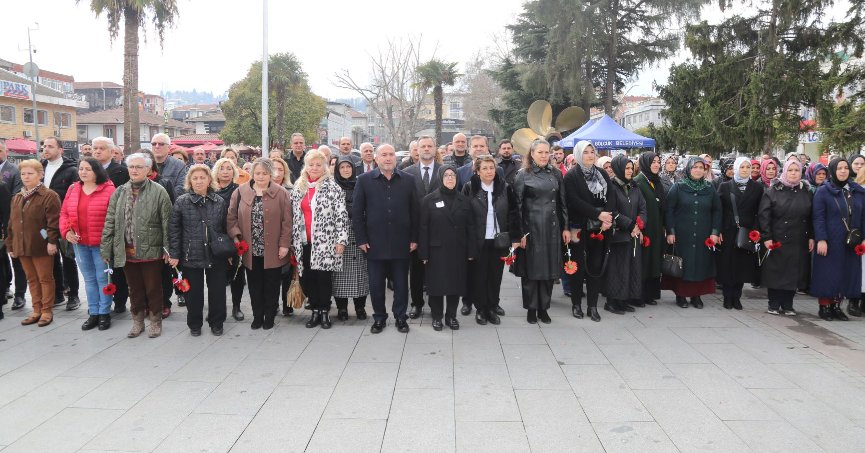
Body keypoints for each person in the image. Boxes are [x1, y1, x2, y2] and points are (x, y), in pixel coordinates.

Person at [101, 153, 173, 338]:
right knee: (134, 289)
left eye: (139, 167)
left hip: (151, 250)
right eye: (131, 166)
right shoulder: (119, 192)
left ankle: (155, 321)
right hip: (126, 251)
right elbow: (110, 220)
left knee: (153, 288)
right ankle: (137, 321)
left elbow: (167, 221)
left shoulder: (159, 191)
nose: (134, 170)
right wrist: (106, 247)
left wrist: (168, 248)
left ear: (148, 169)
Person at [352, 144, 419, 334]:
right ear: (376, 158)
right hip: (374, 243)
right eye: (384, 155)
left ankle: (400, 317)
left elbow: (415, 212)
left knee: (400, 284)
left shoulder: (408, 180)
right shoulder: (364, 180)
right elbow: (357, 213)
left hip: (402, 242)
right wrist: (361, 239)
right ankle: (379, 317)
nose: (388, 158)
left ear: (395, 158)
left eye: (391, 155)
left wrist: (414, 238)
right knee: (376, 285)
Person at [227, 158, 292, 330]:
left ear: (271, 174)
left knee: (271, 285)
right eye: (257, 173)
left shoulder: (281, 192)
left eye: (264, 173)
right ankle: (257, 316)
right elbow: (231, 217)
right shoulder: (240, 191)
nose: (261, 177)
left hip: (274, 249)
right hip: (250, 248)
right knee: (254, 285)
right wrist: (236, 237)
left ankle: (269, 316)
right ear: (252, 174)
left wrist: (284, 244)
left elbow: (287, 221)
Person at [511, 139, 569, 324]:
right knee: (531, 271)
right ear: (532, 154)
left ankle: (544, 308)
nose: (544, 156)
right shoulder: (523, 175)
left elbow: (562, 204)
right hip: (532, 230)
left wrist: (565, 227)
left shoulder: (557, 174)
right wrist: (519, 234)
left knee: (549, 270)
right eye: (540, 152)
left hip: (552, 228)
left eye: (547, 152)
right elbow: (517, 207)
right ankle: (531, 308)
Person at [168, 164, 229, 336]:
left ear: (210, 179)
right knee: (193, 293)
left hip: (215, 254)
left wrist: (229, 251)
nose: (199, 181)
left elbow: (225, 227)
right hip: (190, 253)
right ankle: (194, 324)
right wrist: (174, 254)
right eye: (195, 178)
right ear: (189, 181)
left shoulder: (219, 201)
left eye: (203, 177)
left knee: (217, 291)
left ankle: (217, 322)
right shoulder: (182, 201)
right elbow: (174, 229)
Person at [290, 150, 348, 329]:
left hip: (326, 242)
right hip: (304, 241)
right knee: (307, 277)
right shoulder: (299, 187)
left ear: (324, 167)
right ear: (305, 167)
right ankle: (314, 310)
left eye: (318, 165)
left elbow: (341, 215)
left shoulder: (333, 187)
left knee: (323, 278)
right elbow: (293, 215)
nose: (314, 168)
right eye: (311, 165)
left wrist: (341, 240)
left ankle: (324, 311)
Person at [463, 155, 520, 325]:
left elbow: (514, 213)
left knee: (495, 276)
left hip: (498, 240)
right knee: (479, 276)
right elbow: (464, 215)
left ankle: (492, 307)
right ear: (477, 171)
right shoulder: (470, 188)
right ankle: (481, 309)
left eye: (492, 168)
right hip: (478, 240)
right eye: (485, 168)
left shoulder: (505, 187)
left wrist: (515, 237)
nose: (489, 171)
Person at [60, 157, 116, 330]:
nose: (83, 172)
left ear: (97, 171)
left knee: (103, 278)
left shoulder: (109, 189)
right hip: (80, 244)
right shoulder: (73, 189)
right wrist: (66, 232)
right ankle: (93, 313)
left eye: (88, 169)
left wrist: (109, 241)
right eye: (81, 169)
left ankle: (104, 312)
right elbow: (64, 214)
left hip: (101, 244)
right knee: (89, 279)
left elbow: (114, 218)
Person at [419, 165, 476, 330]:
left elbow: (470, 227)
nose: (450, 178)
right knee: (436, 286)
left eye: (453, 175)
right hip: (436, 250)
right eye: (447, 175)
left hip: (458, 250)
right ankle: (437, 316)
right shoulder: (429, 200)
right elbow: (423, 228)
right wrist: (423, 253)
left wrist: (471, 251)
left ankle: (451, 316)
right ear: (441, 178)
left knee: (455, 285)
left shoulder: (464, 200)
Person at [811, 158, 865, 321]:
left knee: (845, 273)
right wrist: (821, 239)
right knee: (828, 273)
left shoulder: (857, 191)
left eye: (846, 168)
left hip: (851, 241)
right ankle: (825, 306)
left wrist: (863, 238)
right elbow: (818, 217)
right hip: (830, 240)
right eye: (839, 168)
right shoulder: (823, 191)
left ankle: (836, 305)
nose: (843, 171)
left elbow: (863, 217)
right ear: (833, 171)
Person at [664, 157, 721, 309]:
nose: (698, 170)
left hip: (703, 234)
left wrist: (715, 232)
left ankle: (696, 296)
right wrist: (670, 231)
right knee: (684, 264)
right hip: (682, 234)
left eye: (701, 168)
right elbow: (669, 210)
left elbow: (717, 210)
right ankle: (681, 295)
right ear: (689, 169)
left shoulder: (709, 188)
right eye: (695, 167)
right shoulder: (678, 187)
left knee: (700, 264)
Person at [8, 160, 60, 327]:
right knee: (31, 279)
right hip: (21, 245)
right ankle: (36, 309)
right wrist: (10, 245)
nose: (26, 177)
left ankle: (46, 310)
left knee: (45, 278)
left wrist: (51, 241)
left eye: (30, 173)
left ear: (40, 174)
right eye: (23, 174)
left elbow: (53, 222)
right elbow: (11, 223)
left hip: (41, 244)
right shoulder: (17, 197)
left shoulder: (48, 195)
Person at [758, 159, 813, 315]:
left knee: (793, 272)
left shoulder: (806, 191)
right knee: (776, 272)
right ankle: (773, 303)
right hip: (777, 238)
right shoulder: (773, 190)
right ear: (785, 171)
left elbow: (811, 216)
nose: (794, 173)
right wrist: (767, 236)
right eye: (790, 170)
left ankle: (788, 304)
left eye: (796, 170)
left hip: (798, 238)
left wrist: (811, 236)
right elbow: (764, 215)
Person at [564, 141, 611, 322]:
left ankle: (592, 305)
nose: (590, 155)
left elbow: (611, 196)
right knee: (577, 267)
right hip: (578, 227)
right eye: (586, 152)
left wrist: (607, 218)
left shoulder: (601, 174)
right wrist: (598, 214)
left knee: (595, 266)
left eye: (592, 152)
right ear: (578, 155)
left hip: (600, 228)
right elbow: (574, 201)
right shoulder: (571, 176)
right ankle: (576, 304)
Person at [716, 157, 763, 310]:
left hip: (747, 233)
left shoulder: (757, 187)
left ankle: (737, 297)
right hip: (729, 231)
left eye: (747, 167)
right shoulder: (725, 186)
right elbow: (719, 210)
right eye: (741, 167)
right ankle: (727, 297)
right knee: (728, 265)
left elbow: (759, 211)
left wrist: (755, 230)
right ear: (736, 168)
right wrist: (718, 230)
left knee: (742, 266)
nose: (745, 170)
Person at [404, 136, 442, 319]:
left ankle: (436, 307)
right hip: (415, 231)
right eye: (423, 146)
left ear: (435, 149)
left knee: (436, 270)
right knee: (416, 271)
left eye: (430, 146)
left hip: (438, 231)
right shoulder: (407, 172)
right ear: (417, 150)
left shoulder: (445, 171)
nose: (426, 149)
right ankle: (416, 304)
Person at [92, 137, 131, 314]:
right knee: (98, 270)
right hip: (94, 225)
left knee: (117, 267)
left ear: (111, 151)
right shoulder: (87, 171)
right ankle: (99, 303)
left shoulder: (121, 171)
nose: (97, 151)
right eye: (95, 148)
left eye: (101, 148)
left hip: (117, 224)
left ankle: (120, 300)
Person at [41, 136, 81, 312]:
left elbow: (74, 197)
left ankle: (73, 294)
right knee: (50, 256)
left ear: (60, 150)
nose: (46, 149)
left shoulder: (71, 170)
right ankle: (57, 293)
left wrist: (71, 222)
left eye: (50, 146)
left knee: (68, 257)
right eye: (44, 146)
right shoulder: (40, 168)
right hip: (43, 224)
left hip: (64, 222)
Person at [603, 155, 647, 313]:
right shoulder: (611, 186)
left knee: (631, 268)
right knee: (617, 270)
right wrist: (630, 224)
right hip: (619, 235)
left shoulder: (634, 186)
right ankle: (611, 301)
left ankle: (623, 299)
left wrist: (639, 224)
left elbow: (643, 208)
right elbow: (612, 211)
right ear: (618, 169)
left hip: (633, 235)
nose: (630, 171)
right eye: (626, 168)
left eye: (631, 168)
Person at [332, 156, 369, 321]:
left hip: (358, 234)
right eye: (342, 167)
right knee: (339, 274)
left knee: (360, 272)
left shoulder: (361, 185)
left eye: (348, 167)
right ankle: (342, 308)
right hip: (339, 236)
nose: (345, 170)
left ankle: (360, 307)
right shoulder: (332, 187)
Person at [212, 157, 246, 321]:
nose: (225, 171)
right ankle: (217, 308)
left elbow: (241, 216)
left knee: (236, 276)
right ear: (216, 171)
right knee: (215, 277)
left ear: (234, 171)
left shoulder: (240, 190)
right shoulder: (210, 190)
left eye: (229, 168)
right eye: (222, 168)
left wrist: (236, 237)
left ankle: (236, 306)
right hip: (214, 239)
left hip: (234, 237)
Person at [634, 152, 666, 306]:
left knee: (653, 261)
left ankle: (650, 294)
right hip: (644, 229)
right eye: (653, 162)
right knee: (644, 262)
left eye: (658, 162)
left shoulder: (656, 181)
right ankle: (638, 295)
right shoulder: (638, 181)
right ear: (645, 163)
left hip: (656, 229)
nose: (656, 165)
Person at [270, 157, 296, 316]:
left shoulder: (292, 191)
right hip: (268, 237)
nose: (277, 173)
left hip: (287, 237)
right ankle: (272, 304)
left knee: (286, 272)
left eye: (280, 170)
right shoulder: (260, 190)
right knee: (271, 274)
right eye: (274, 169)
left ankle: (287, 304)